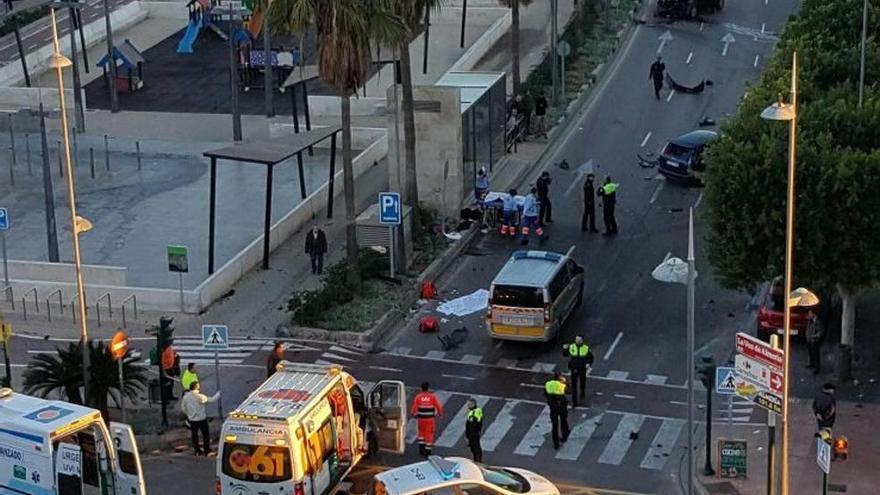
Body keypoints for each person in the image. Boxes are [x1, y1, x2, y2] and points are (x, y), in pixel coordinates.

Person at [180, 381, 220, 456]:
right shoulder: (200, 396)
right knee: (205, 435)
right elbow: (212, 399)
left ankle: (197, 450)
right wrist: (219, 393)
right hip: (201, 419)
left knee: (194, 435)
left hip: (192, 420)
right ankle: (207, 449)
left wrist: (189, 414)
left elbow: (183, 408)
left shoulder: (186, 397)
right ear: (196, 387)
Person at [410, 382, 444, 455]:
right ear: (428, 388)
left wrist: (413, 413)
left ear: (421, 388)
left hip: (421, 419)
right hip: (430, 419)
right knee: (429, 434)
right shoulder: (432, 397)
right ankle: (428, 451)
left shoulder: (418, 397)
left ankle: (421, 449)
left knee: (421, 433)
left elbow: (414, 407)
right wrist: (440, 414)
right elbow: (438, 406)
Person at [562, 336, 594, 408]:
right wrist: (564, 349)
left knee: (582, 382)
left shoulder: (586, 348)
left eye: (579, 340)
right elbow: (565, 354)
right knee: (574, 385)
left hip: (582, 369)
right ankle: (574, 402)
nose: (578, 341)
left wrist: (588, 363)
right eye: (576, 339)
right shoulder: (572, 346)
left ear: (582, 340)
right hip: (574, 369)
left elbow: (591, 357)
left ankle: (582, 391)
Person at [545, 371, 570, 449]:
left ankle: (556, 444)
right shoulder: (562, 385)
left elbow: (545, 394)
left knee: (554, 425)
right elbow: (569, 391)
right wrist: (566, 382)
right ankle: (564, 435)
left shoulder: (548, 384)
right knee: (563, 420)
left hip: (553, 406)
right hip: (561, 405)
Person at [805, 309, 824, 374]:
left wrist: (815, 336)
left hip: (815, 340)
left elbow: (820, 331)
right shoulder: (810, 321)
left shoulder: (818, 322)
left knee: (815, 354)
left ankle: (817, 368)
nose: (809, 315)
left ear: (814, 314)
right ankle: (812, 364)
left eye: (810, 314)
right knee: (811, 353)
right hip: (809, 339)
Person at [464, 398, 483, 463]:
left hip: (473, 434)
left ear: (473, 404)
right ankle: (479, 459)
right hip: (477, 432)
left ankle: (477, 461)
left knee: (474, 448)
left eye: (469, 404)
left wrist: (468, 436)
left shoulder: (472, 414)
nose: (468, 406)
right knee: (477, 448)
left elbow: (471, 426)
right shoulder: (478, 410)